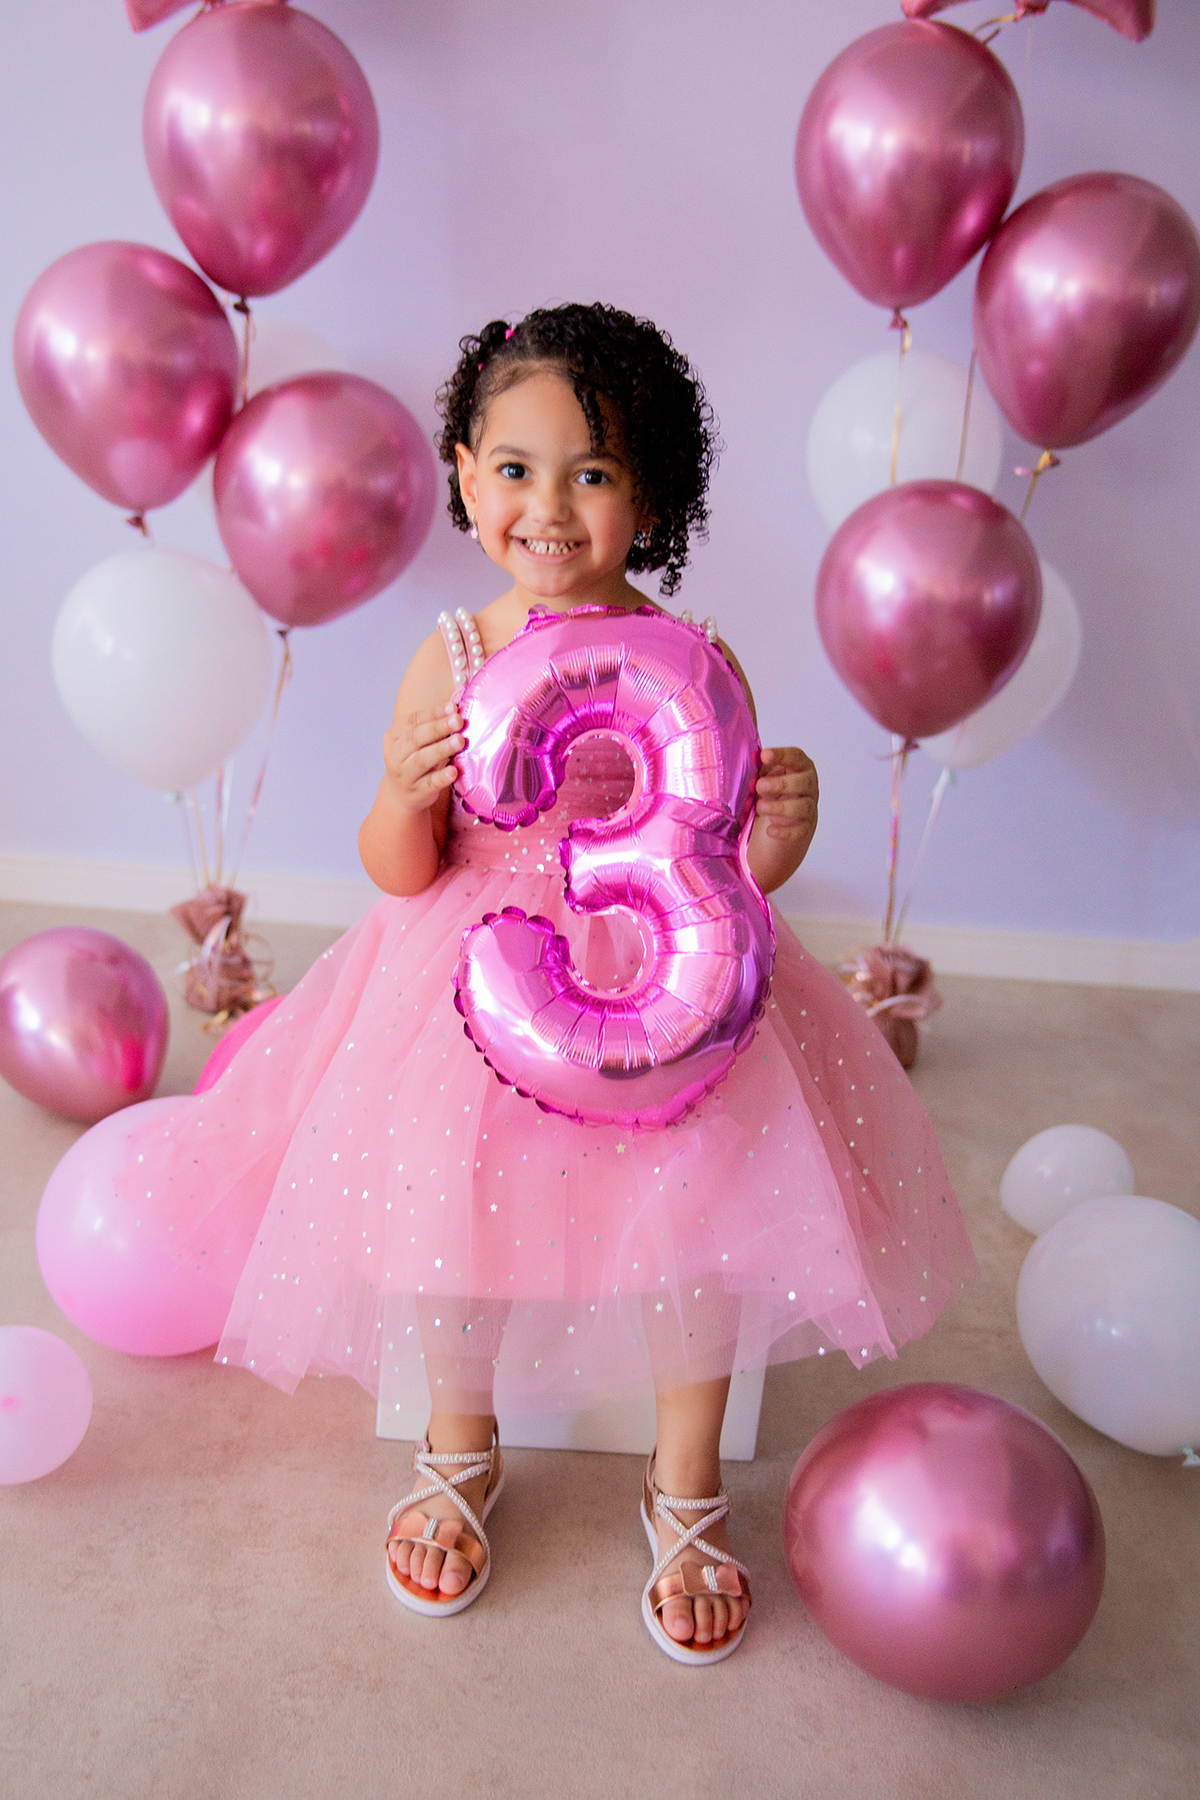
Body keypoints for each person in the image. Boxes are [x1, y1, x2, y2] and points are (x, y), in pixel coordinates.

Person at [133, 303, 976, 1665]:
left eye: (592, 473)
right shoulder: (455, 657)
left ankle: (683, 1477)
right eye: (516, 469)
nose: (550, 506)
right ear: (464, 473)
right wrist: (405, 801)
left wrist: (787, 824)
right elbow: (399, 868)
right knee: (442, 1180)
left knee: (713, 1189)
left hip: (663, 971)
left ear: (651, 497)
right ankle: (460, 1446)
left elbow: (737, 869)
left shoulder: (697, 659)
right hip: (482, 971)